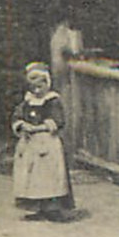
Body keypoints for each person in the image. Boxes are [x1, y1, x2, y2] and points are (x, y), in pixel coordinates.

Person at [12, 61, 75, 220]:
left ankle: (53, 208)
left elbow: (57, 121)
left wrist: (40, 128)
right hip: (30, 142)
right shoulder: (28, 101)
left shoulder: (52, 101)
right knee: (33, 175)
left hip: (47, 142)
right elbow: (17, 116)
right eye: (33, 87)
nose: (37, 91)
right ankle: (37, 206)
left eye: (40, 87)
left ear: (47, 83)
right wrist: (22, 125)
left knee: (50, 174)